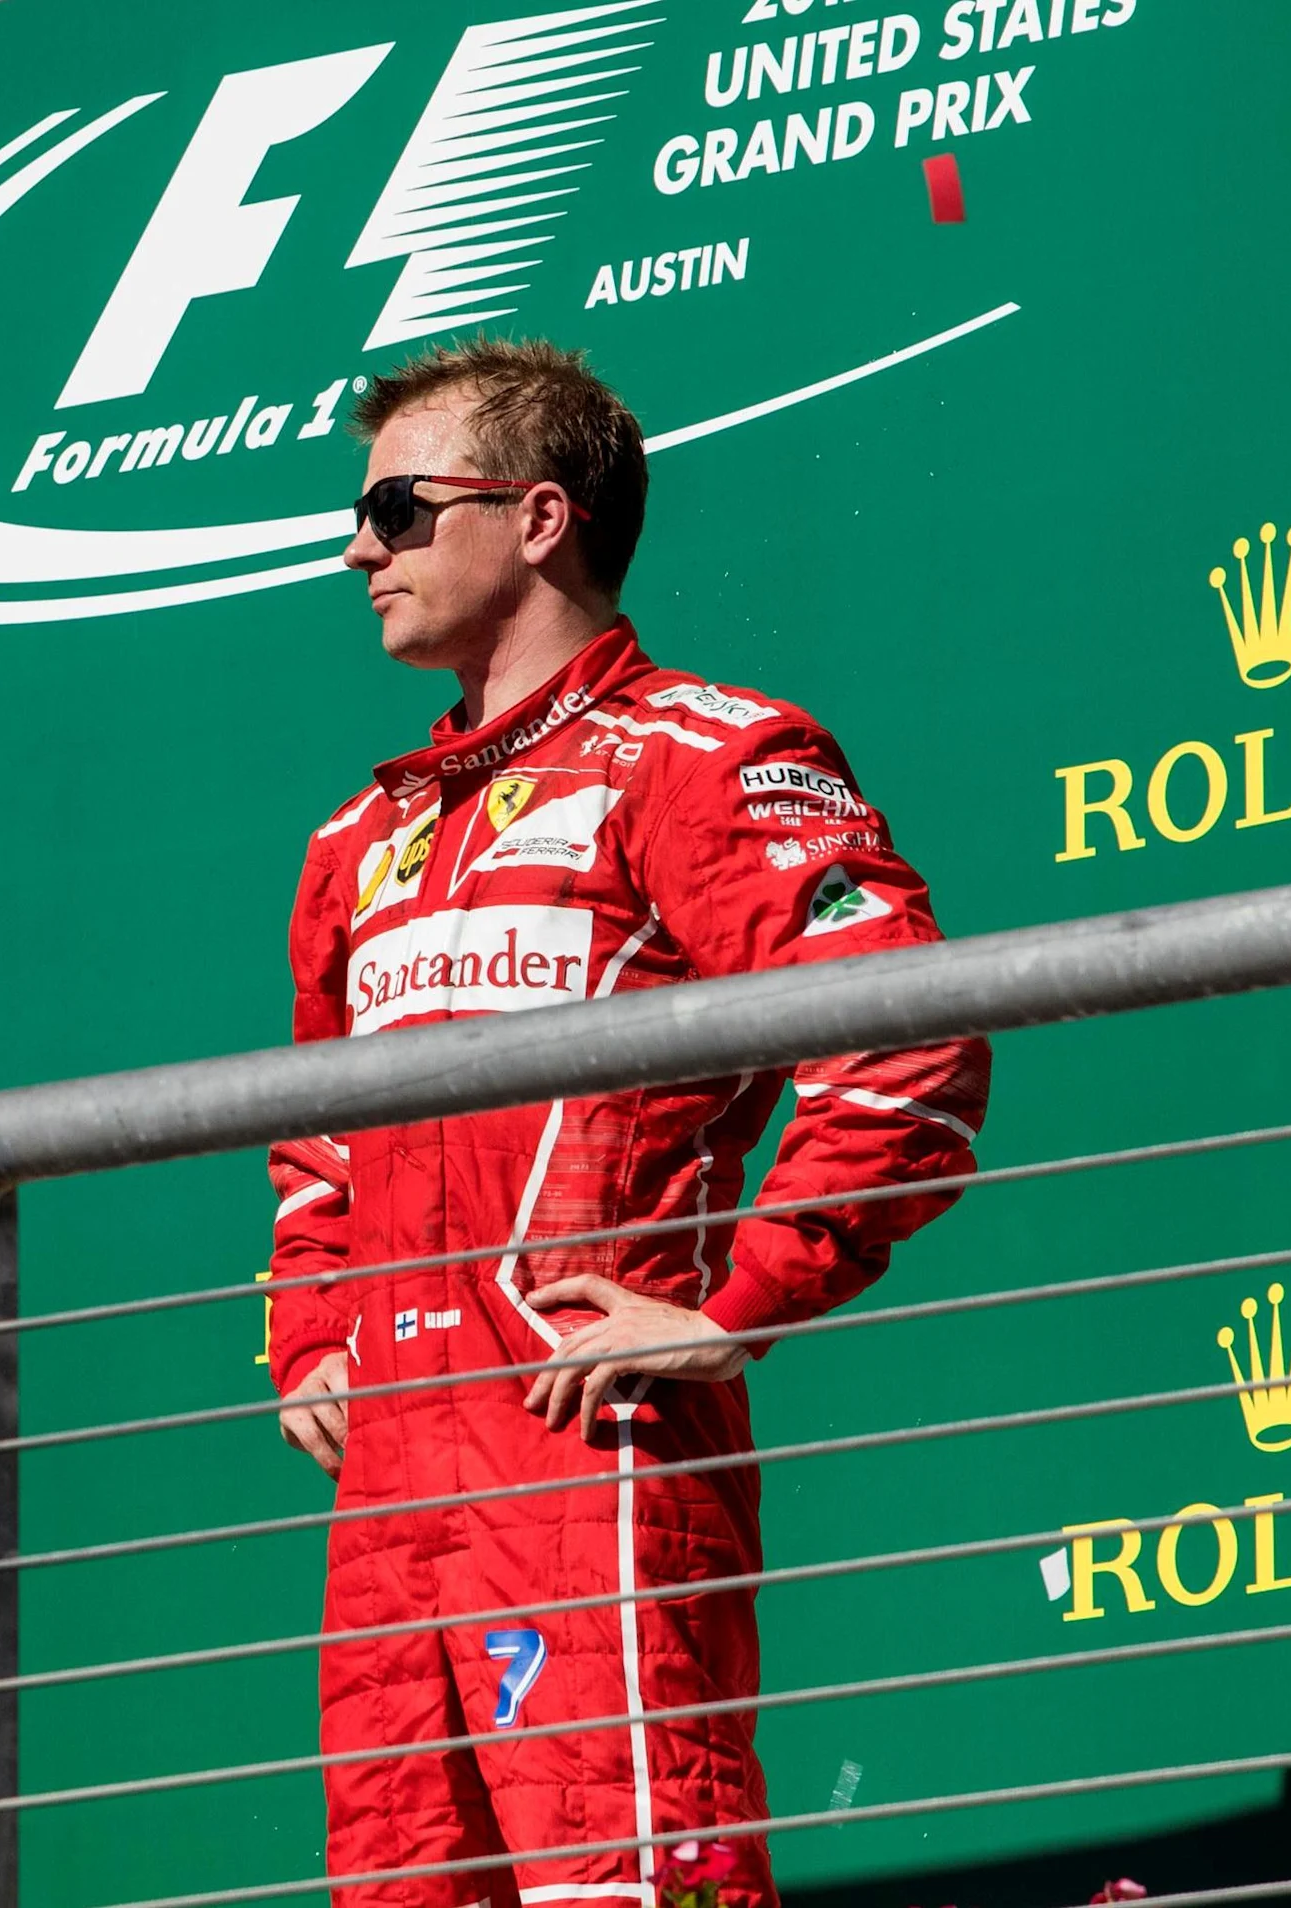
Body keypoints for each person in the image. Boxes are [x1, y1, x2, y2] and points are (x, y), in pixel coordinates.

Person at [264, 339, 990, 1908]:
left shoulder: (707, 753)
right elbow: (316, 1135)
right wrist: (314, 1329)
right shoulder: (357, 841)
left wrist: (742, 1301)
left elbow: (905, 1032)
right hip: (392, 1494)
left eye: (395, 509)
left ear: (539, 519)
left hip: (584, 1450)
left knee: (639, 1885)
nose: (356, 549)